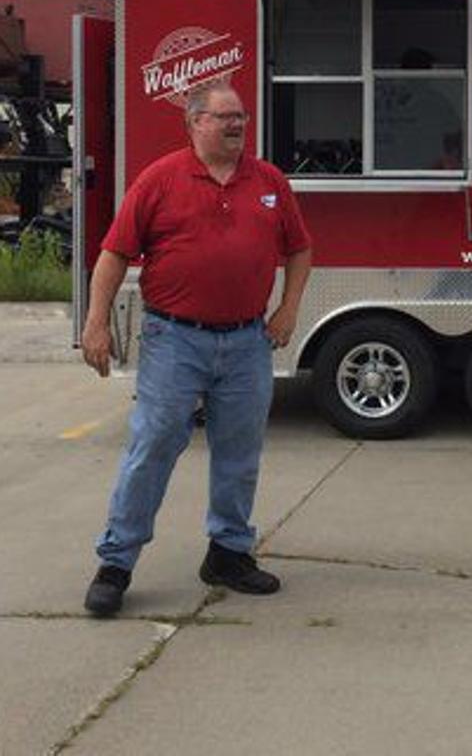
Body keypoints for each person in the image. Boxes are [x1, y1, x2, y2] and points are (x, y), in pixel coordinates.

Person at [81, 80, 312, 617]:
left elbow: (299, 248)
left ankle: (228, 553)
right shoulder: (160, 179)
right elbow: (114, 255)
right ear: (194, 124)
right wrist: (96, 323)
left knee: (239, 451)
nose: (237, 124)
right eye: (225, 116)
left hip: (246, 341)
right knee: (154, 445)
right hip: (174, 340)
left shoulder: (269, 180)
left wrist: (288, 308)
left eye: (242, 116)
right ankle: (116, 562)